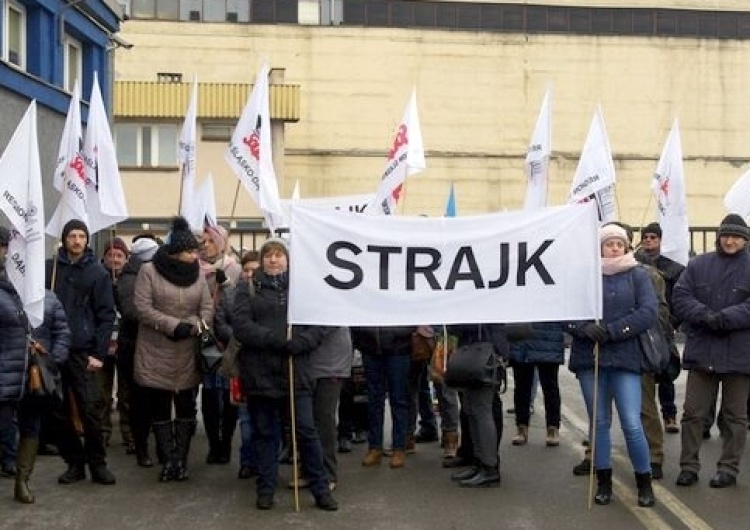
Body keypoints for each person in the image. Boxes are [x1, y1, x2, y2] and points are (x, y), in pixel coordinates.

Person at [233, 237, 338, 511]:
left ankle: (320, 488)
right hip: (261, 373)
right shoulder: (247, 288)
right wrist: (274, 340)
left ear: (288, 259)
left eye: (279, 254)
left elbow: (318, 323)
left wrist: (301, 343)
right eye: (268, 254)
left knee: (306, 431)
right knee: (266, 434)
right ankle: (265, 488)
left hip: (296, 371)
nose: (273, 259)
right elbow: (242, 326)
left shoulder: (303, 289)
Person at [568, 223, 657, 507]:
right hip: (590, 358)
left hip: (624, 357)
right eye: (609, 243)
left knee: (632, 422)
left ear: (627, 246)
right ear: (600, 247)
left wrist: (614, 330)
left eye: (619, 243)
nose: (615, 247)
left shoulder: (638, 275)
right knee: (600, 422)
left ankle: (644, 482)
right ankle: (603, 481)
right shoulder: (585, 276)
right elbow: (565, 310)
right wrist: (582, 328)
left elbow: (648, 312)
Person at [672, 214, 750, 489]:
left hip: (740, 356)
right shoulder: (698, 265)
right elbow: (680, 297)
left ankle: (728, 469)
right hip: (702, 352)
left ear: (745, 239)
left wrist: (725, 318)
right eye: (726, 235)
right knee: (693, 413)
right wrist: (706, 315)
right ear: (719, 237)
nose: (730, 241)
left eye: (737, 237)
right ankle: (688, 467)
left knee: (735, 417)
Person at [133, 217, 214, 482]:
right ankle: (167, 459)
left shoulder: (198, 275)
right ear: (177, 251)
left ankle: (181, 460)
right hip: (156, 350)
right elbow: (143, 308)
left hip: (188, 350)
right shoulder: (149, 271)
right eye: (191, 251)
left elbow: (207, 308)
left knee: (186, 406)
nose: (195, 255)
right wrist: (171, 325)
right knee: (160, 406)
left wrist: (192, 325)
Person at [0, 226, 71, 503]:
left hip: (35, 376)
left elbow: (63, 332)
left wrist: (53, 360)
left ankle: (22, 480)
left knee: (32, 427)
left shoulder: (47, 298)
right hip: (5, 375)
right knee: (5, 427)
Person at [46, 219, 117, 486]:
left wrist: (98, 352)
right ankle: (74, 462)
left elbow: (106, 316)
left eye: (81, 236)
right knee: (57, 410)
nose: (76, 241)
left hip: (83, 352)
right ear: (64, 239)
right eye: (72, 236)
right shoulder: (50, 270)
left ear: (87, 240)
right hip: (53, 350)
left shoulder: (97, 273)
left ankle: (97, 463)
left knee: (90, 409)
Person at [635, 222, 685, 433]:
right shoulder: (633, 264)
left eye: (653, 237)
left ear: (660, 240)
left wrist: (672, 323)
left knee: (665, 372)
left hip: (664, 327)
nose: (649, 241)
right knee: (642, 378)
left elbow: (678, 300)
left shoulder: (672, 268)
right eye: (645, 237)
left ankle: (670, 415)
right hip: (641, 328)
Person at [445, 323, 510, 487]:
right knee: (472, 409)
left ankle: (489, 467)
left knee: (481, 411)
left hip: (483, 354)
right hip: (478, 353)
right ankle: (481, 463)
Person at [115, 235, 160, 467]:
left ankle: (155, 443)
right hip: (134, 347)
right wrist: (162, 317)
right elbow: (132, 311)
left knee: (155, 400)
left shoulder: (155, 274)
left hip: (156, 346)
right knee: (137, 400)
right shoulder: (128, 278)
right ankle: (140, 445)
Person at [199, 224, 242, 465]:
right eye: (203, 241)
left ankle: (225, 442)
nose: (206, 245)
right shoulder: (196, 269)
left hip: (228, 340)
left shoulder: (233, 269)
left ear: (222, 243)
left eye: (211, 241)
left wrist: (225, 284)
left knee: (228, 395)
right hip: (206, 339)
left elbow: (238, 303)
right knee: (209, 394)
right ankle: (213, 442)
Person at [216, 250, 260, 479]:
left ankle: (263, 461)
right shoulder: (231, 294)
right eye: (246, 269)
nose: (250, 274)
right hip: (239, 362)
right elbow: (220, 322)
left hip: (263, 363)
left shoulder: (271, 295)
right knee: (245, 418)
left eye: (255, 269)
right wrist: (240, 334)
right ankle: (247, 461)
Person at [350, 326, 413, 469]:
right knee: (374, 400)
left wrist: (397, 333)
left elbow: (410, 319)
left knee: (398, 399)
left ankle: (399, 448)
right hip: (370, 347)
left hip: (398, 348)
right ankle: (375, 447)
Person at [509, 322, 566, 447]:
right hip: (522, 339)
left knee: (550, 387)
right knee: (521, 388)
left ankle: (553, 427)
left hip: (548, 339)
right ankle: (521, 427)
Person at [99, 237, 130, 451]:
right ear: (104, 258)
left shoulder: (132, 280)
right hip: (102, 345)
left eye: (119, 256)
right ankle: (102, 434)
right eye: (111, 255)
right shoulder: (98, 278)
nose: (115, 260)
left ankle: (129, 434)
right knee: (102, 394)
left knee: (127, 395)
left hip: (126, 345)